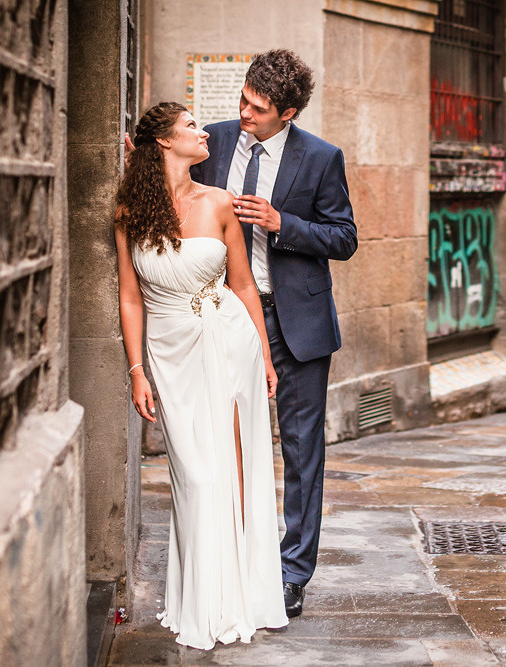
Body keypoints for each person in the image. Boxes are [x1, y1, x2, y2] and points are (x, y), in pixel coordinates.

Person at [115, 101, 288, 650]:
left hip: (230, 341)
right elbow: (129, 297)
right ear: (166, 142)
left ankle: (235, 598)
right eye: (191, 125)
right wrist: (137, 370)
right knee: (195, 475)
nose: (204, 132)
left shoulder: (218, 202)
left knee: (231, 473)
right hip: (170, 354)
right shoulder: (129, 211)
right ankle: (200, 597)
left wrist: (265, 355)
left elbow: (243, 285)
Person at [191, 49, 357, 618]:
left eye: (258, 109)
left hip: (296, 327)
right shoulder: (214, 141)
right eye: (244, 99)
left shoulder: (321, 158)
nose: (245, 113)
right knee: (223, 441)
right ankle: (232, 560)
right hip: (225, 317)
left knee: (302, 451)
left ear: (287, 113)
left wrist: (283, 223)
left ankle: (292, 573)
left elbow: (344, 237)